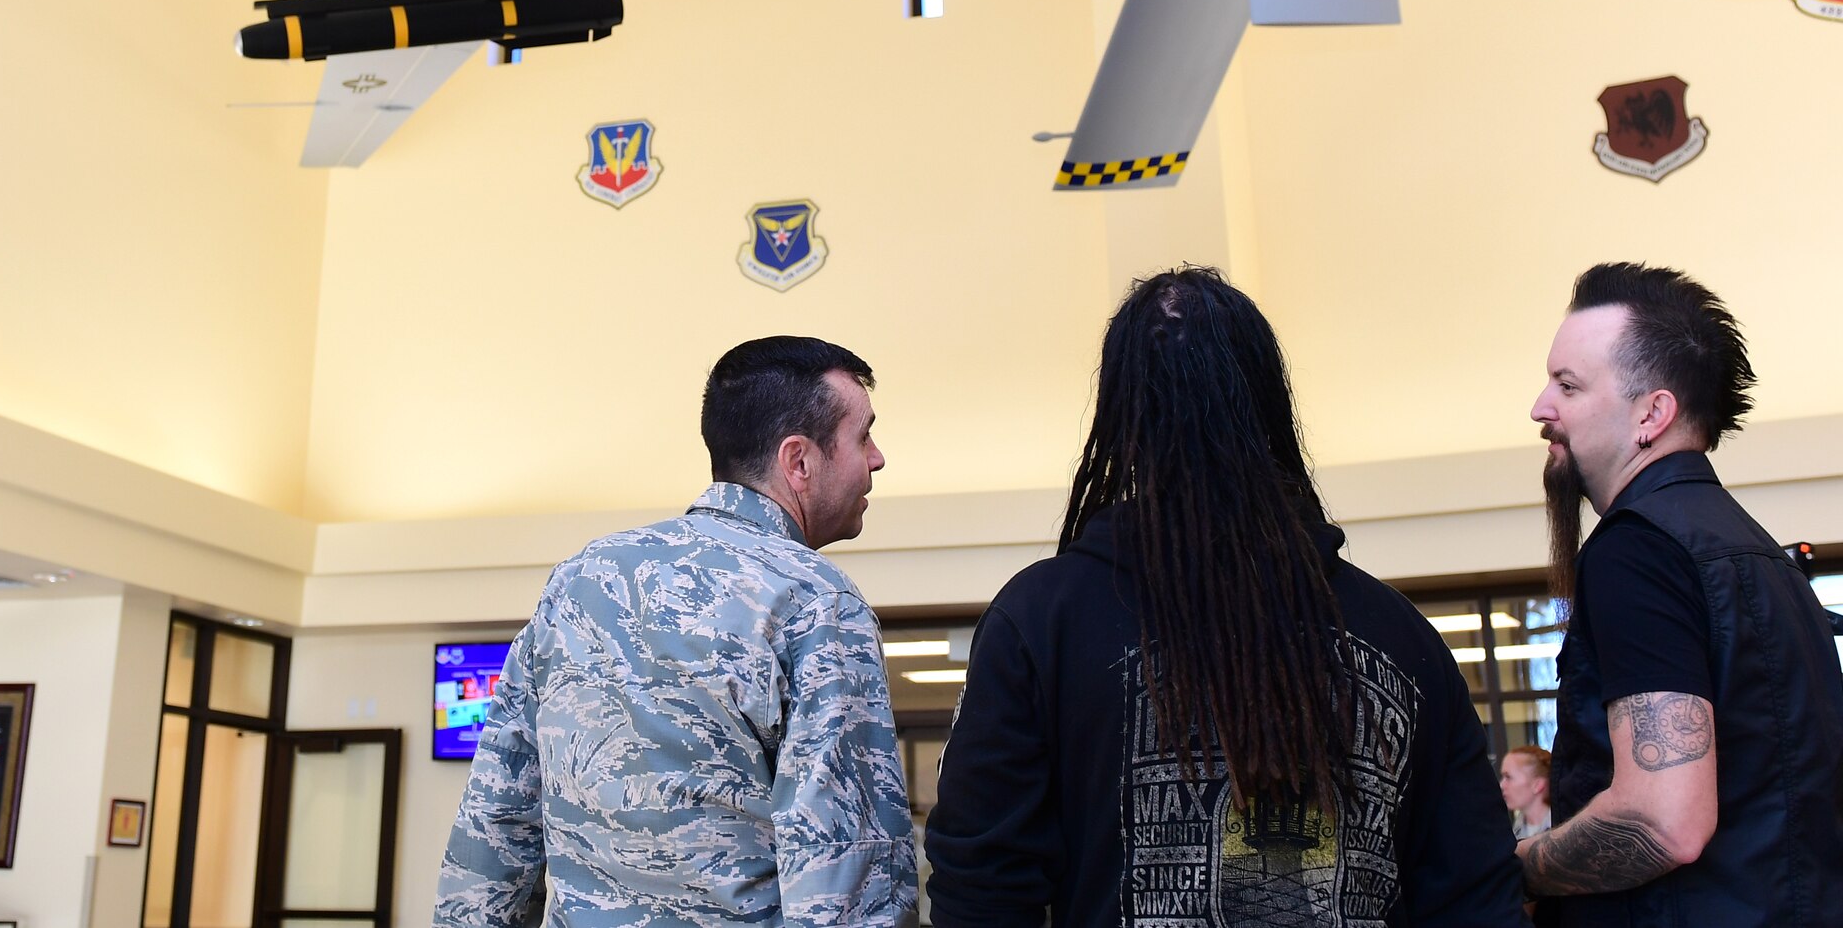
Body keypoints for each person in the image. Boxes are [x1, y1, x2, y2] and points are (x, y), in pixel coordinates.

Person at [924, 267, 1526, 927]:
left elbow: (982, 890)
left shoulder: (1041, 620)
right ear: (1268, 406)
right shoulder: (1402, 638)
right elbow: (1475, 893)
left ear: (1124, 419)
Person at [434, 336, 917, 927]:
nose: (877, 458)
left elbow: (497, 820)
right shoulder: (815, 600)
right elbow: (846, 871)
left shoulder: (580, 580)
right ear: (799, 461)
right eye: (863, 435)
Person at [1522, 262, 1843, 926]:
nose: (1540, 408)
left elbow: (1663, 821)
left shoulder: (1636, 550)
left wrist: (1512, 869)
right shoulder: (1764, 559)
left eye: (1568, 385)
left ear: (1652, 414)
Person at [1499, 746, 1552, 840]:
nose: (1501, 785)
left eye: (1508, 777)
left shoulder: (1562, 828)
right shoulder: (1515, 830)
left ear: (1537, 785)